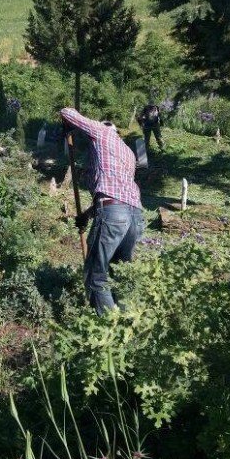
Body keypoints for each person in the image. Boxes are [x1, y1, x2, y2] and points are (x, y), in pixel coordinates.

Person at [61, 108, 145, 316]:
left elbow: (67, 112)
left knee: (97, 275)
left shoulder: (103, 132)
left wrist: (68, 125)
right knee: (120, 272)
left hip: (114, 214)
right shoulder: (128, 152)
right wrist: (87, 215)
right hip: (134, 216)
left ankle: (107, 328)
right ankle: (126, 321)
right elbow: (115, 193)